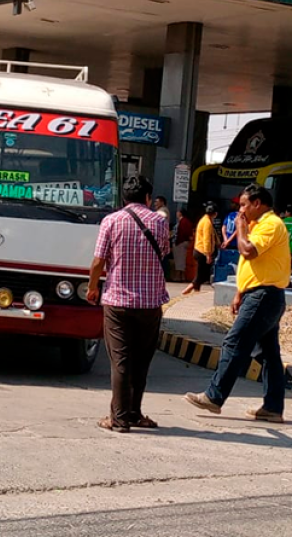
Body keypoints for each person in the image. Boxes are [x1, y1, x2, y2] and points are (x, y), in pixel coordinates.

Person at [184, 184, 290, 422]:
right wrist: (240, 293)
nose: (240, 210)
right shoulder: (258, 225)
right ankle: (273, 407)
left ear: (257, 203)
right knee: (268, 353)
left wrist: (240, 228)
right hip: (261, 294)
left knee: (234, 342)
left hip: (264, 295)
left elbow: (248, 251)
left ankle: (214, 396)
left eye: (243, 204)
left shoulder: (271, 225)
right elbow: (252, 265)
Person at [87, 175, 171, 433]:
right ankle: (133, 412)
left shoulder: (111, 221)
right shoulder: (160, 222)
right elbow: (165, 252)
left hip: (118, 302)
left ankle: (120, 419)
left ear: (124, 198)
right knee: (141, 361)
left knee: (120, 361)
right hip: (150, 304)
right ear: (148, 198)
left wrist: (92, 288)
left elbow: (99, 261)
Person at [180, 203, 218, 296]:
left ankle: (196, 290)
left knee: (201, 273)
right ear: (215, 214)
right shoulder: (207, 222)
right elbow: (206, 239)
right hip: (202, 251)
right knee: (202, 274)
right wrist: (208, 254)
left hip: (200, 250)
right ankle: (190, 287)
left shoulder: (205, 220)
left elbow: (212, 236)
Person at [173, 208, 193, 280]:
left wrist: (177, 242)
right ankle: (182, 276)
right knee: (182, 258)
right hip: (184, 242)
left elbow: (182, 233)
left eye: (177, 212)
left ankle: (179, 276)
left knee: (179, 259)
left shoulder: (183, 221)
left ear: (180, 213)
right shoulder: (186, 221)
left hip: (180, 242)